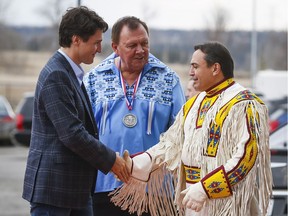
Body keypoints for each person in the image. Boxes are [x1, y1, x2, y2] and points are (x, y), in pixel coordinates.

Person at [110, 42, 273, 216]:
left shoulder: (246, 104)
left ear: (215, 68)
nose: (190, 73)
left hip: (229, 206)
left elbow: (246, 158)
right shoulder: (194, 104)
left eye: (195, 66)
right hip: (193, 202)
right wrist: (134, 165)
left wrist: (205, 189)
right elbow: (170, 145)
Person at [22, 6, 130, 216]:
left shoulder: (70, 72)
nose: (99, 49)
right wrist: (112, 161)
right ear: (76, 39)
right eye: (96, 42)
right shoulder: (57, 75)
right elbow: (72, 133)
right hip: (55, 192)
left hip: (74, 192)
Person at [84, 16, 186, 215]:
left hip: (154, 191)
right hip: (104, 186)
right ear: (115, 47)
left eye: (144, 43)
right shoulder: (94, 79)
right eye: (132, 45)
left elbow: (181, 132)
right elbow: (83, 132)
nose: (141, 50)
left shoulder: (168, 79)